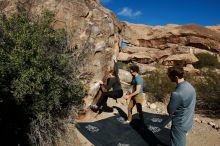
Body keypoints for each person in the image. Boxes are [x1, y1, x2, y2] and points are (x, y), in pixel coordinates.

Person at [167, 66, 196, 146]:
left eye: (169, 76)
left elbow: (170, 110)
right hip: (188, 120)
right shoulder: (190, 86)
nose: (169, 77)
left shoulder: (177, 93)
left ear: (176, 77)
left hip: (180, 124)